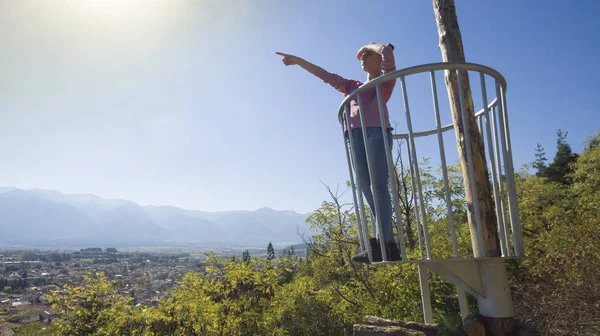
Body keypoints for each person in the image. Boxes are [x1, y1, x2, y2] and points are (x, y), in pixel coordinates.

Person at [276, 43, 400, 263]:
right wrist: (298, 61)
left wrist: (368, 45)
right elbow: (325, 75)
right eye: (361, 55)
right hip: (354, 137)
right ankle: (381, 242)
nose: (362, 57)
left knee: (379, 186)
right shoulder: (352, 86)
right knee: (365, 186)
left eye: (367, 55)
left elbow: (387, 53)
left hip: (376, 133)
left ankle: (387, 244)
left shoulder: (384, 82)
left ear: (379, 59)